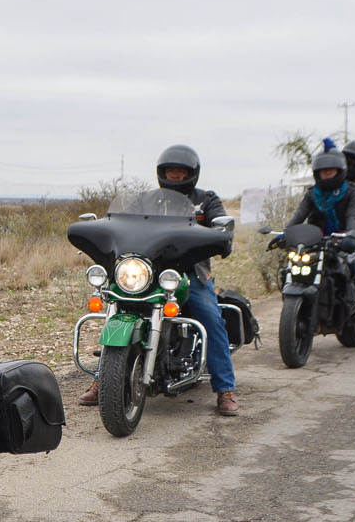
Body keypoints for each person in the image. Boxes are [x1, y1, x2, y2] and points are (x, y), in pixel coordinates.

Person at [77, 145, 240, 415]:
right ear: (161, 173)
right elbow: (119, 224)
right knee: (116, 307)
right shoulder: (145, 200)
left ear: (192, 174)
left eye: (181, 172)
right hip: (146, 270)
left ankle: (225, 389)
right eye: (170, 171)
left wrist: (222, 237)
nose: (175, 176)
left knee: (210, 316)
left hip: (188, 272)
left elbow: (221, 229)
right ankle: (102, 380)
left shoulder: (206, 200)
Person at [284, 146, 355, 340]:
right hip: (317, 242)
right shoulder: (312, 193)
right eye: (323, 172)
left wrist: (349, 235)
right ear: (317, 173)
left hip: (345, 242)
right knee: (291, 267)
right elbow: (298, 216)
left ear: (340, 171)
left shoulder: (353, 191)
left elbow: (353, 218)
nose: (327, 175)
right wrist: (284, 234)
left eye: (331, 171)